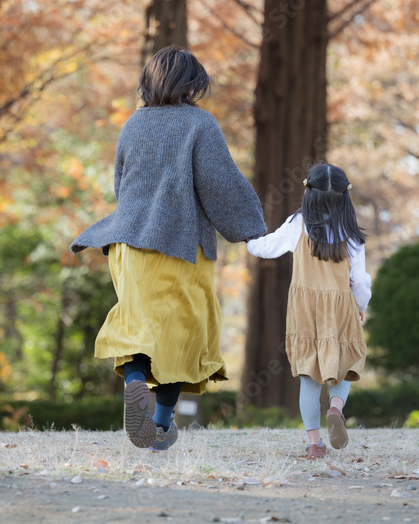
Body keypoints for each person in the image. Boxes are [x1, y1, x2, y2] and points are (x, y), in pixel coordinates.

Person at [70, 45, 266, 452]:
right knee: (182, 336)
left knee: (136, 327)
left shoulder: (132, 125)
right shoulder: (200, 124)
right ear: (193, 84)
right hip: (179, 247)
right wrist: (252, 229)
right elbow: (221, 184)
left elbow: (120, 185)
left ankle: (136, 383)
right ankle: (160, 424)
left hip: (127, 244)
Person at [246, 163, 370, 458]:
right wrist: (360, 307)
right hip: (341, 308)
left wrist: (248, 241)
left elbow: (266, 247)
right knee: (343, 366)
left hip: (305, 310)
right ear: (345, 197)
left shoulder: (297, 225)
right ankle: (336, 410)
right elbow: (361, 281)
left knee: (309, 377)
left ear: (308, 194)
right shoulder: (351, 234)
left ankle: (314, 444)